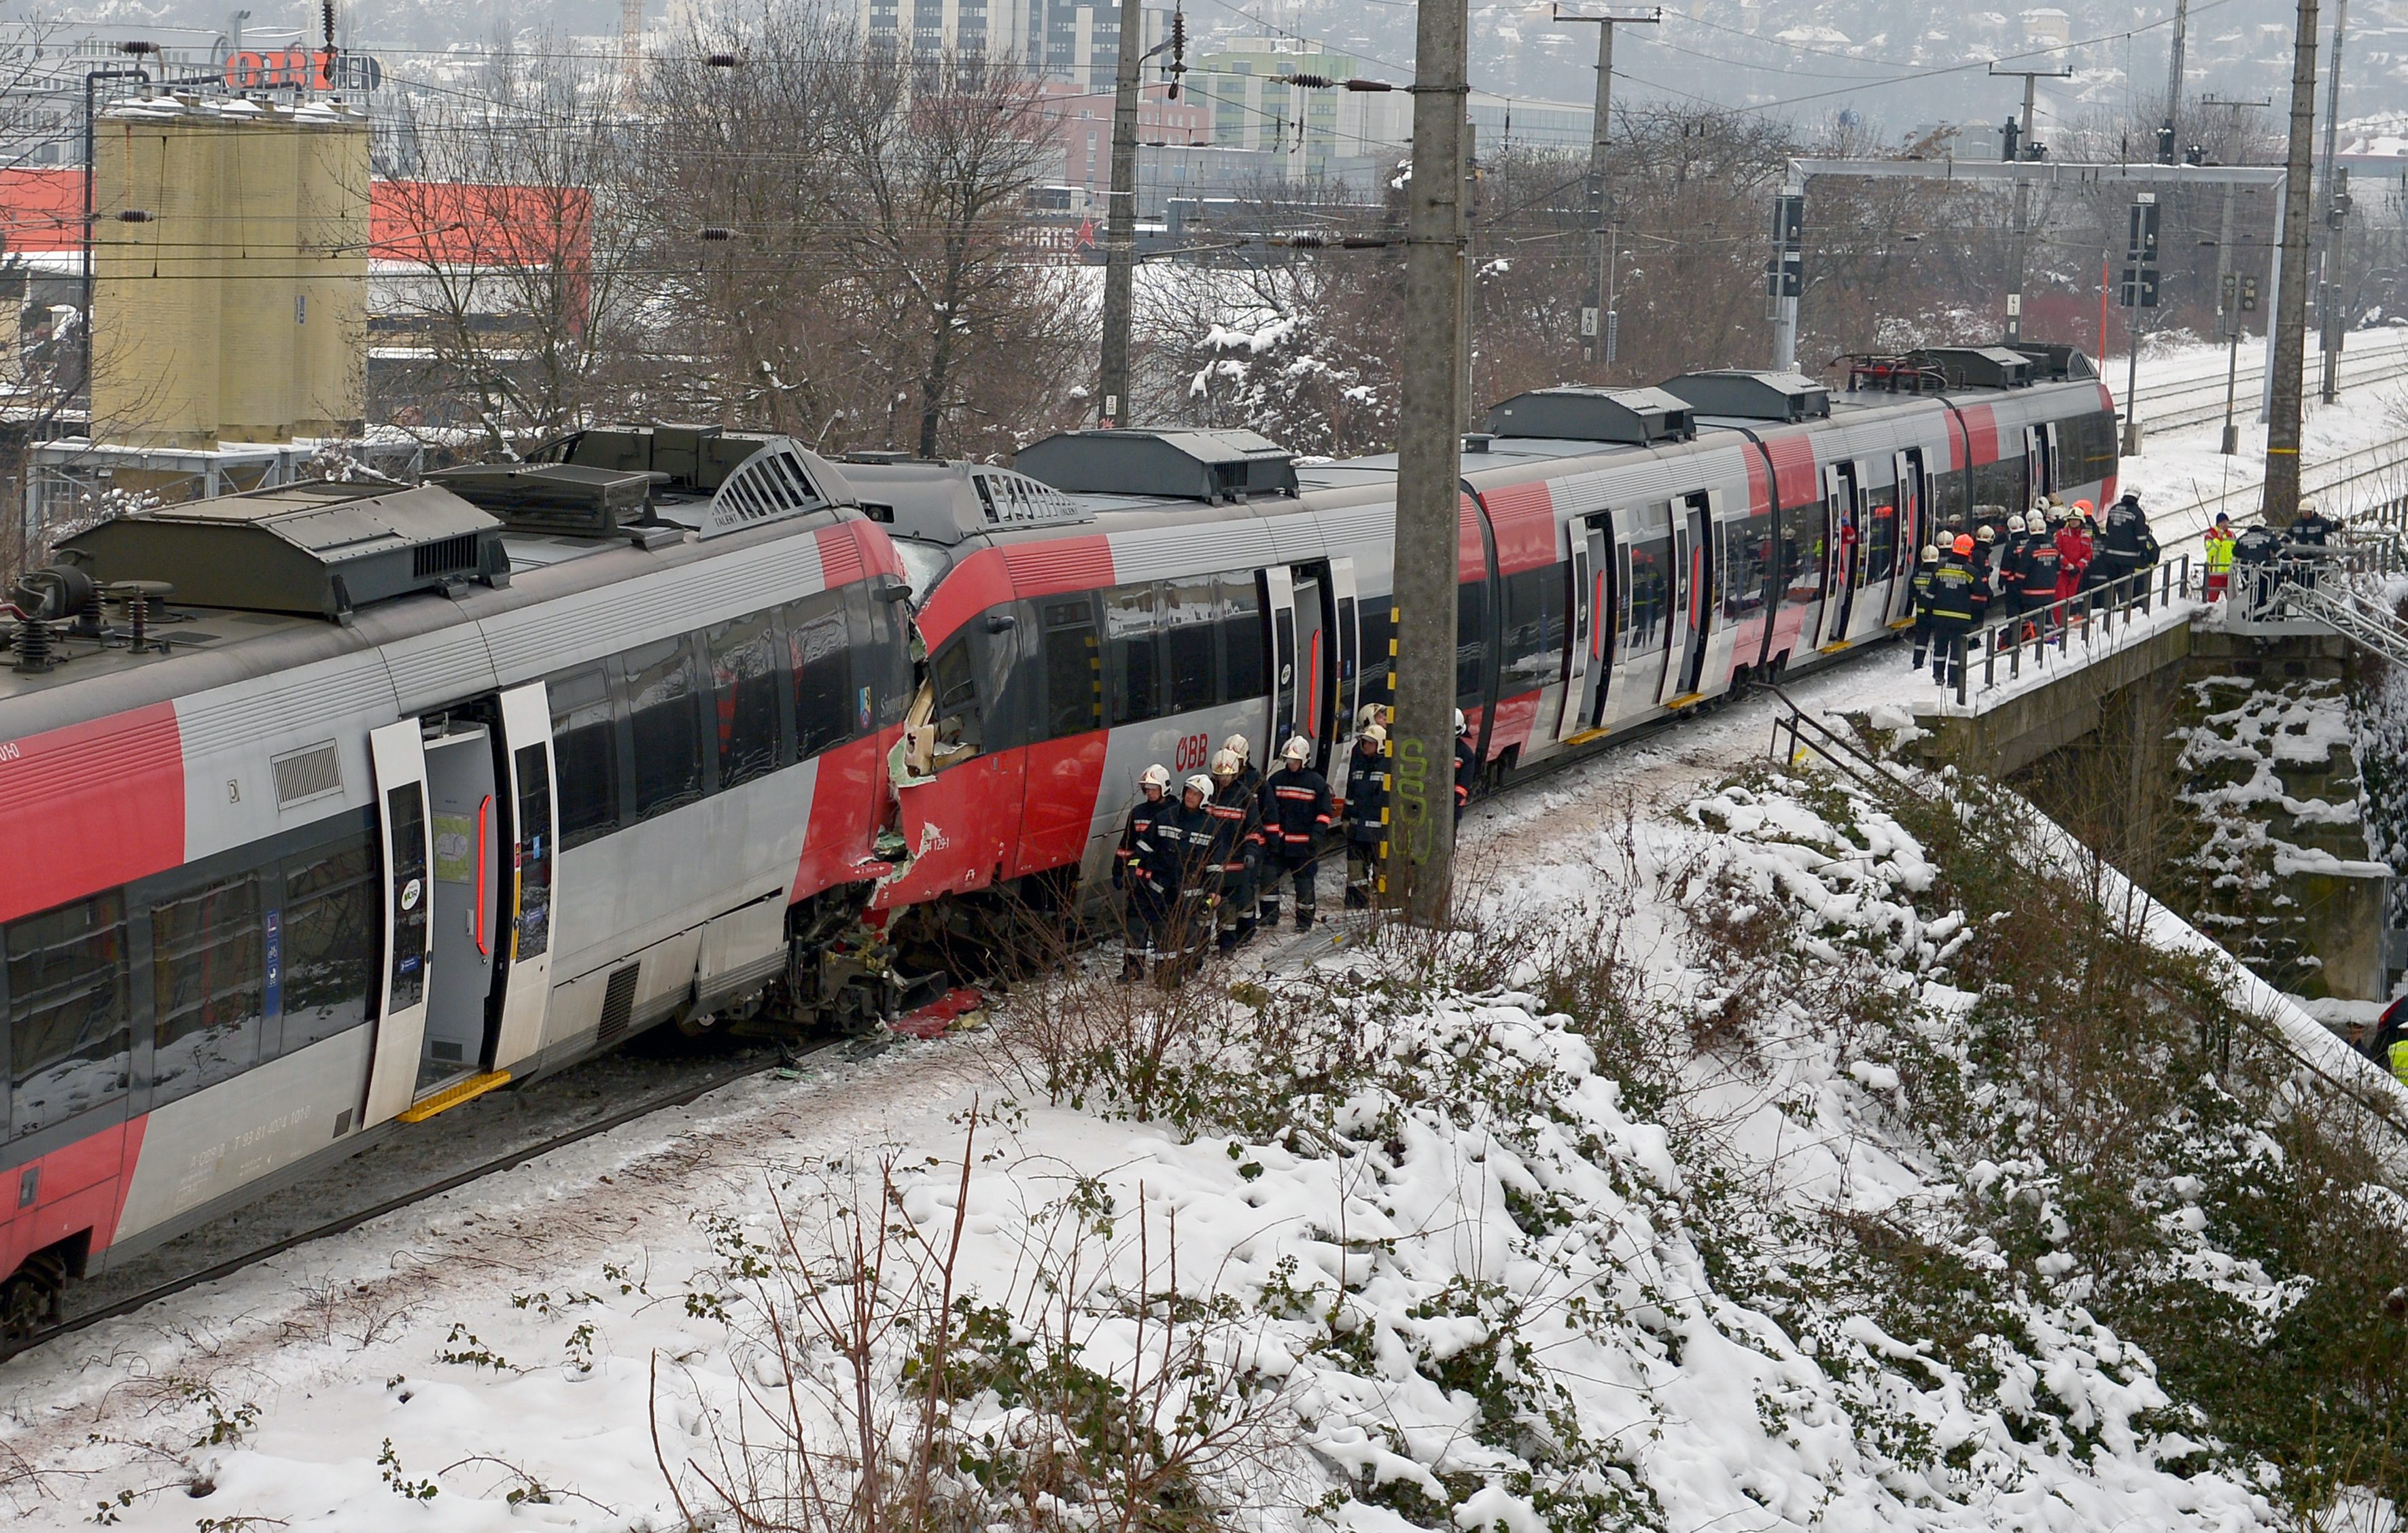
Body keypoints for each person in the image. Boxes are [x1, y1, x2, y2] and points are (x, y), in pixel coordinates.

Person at [1259, 735, 1333, 931]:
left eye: (1295, 760)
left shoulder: (1317, 783)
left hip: (1304, 846)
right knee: (1268, 877)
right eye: (1289, 760)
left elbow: (1325, 813)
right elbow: (1268, 810)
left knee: (1304, 884)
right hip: (1281, 844)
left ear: (1304, 760)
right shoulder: (1276, 780)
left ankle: (1304, 921)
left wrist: (1317, 836)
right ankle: (1269, 916)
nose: (1291, 764)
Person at [1151, 775, 1215, 986]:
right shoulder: (1165, 818)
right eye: (1189, 791)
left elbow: (1215, 864)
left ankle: (1190, 968)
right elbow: (1144, 848)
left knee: (1188, 933)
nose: (1190, 796)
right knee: (1163, 934)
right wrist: (1137, 872)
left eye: (1196, 794)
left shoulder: (1210, 826)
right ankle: (1166, 980)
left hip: (1191, 893)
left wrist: (1213, 892)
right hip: (1162, 889)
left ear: (1204, 798)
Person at [1113, 764, 1175, 982]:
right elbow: (1126, 846)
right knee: (1135, 927)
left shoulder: (1175, 813)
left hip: (1165, 883)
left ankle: (1165, 972)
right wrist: (1120, 871)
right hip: (1139, 882)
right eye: (1146, 789)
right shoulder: (1138, 813)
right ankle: (1132, 970)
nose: (1149, 792)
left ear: (1164, 788)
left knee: (1164, 928)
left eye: (1153, 788)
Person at [1202, 747, 1263, 951]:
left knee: (1228, 909)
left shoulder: (1244, 797)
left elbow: (1254, 829)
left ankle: (1227, 946)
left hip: (1234, 862)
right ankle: (1200, 948)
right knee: (1205, 907)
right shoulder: (1208, 793)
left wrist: (1250, 852)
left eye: (1226, 776)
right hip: (1209, 864)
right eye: (1219, 776)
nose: (1223, 780)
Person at [1342, 724, 1389, 909]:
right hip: (1357, 833)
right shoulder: (1359, 765)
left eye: (1370, 742)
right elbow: (1351, 794)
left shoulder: (1388, 769)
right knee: (1355, 874)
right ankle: (1356, 905)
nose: (1365, 746)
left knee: (1381, 873)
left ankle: (1382, 908)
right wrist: (1346, 818)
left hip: (1379, 835)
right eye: (1364, 742)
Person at [1926, 535, 1979, 689]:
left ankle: (1938, 676)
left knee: (1940, 647)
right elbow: (1981, 592)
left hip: (1940, 617)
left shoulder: (1940, 567)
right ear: (1969, 550)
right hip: (1961, 618)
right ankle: (1954, 680)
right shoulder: (1970, 571)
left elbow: (1930, 593)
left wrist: (1929, 613)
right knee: (1957, 650)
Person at [1908, 544, 1939, 670]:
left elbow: (1912, 594)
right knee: (1939, 639)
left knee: (1921, 639)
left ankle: (1918, 662)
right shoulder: (1938, 573)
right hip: (1937, 612)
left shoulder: (1916, 574)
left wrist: (1921, 603)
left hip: (1921, 613)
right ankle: (1936, 663)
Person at [2203, 512, 2236, 601]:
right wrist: (2218, 539)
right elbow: (2210, 551)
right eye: (2223, 522)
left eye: (2227, 522)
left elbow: (2236, 551)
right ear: (2219, 523)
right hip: (2215, 574)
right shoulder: (2210, 535)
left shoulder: (2231, 535)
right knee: (2212, 600)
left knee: (2233, 600)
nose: (2226, 524)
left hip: (2229, 573)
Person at [1453, 708, 1476, 824]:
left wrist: (1452, 803)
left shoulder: (1466, 755)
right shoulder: (1466, 755)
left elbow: (1463, 786)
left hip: (1453, 810)